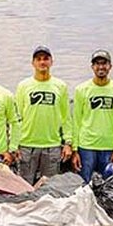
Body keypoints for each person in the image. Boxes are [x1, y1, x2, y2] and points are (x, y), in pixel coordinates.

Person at [13, 46, 73, 184]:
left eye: (46, 59)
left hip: (52, 146)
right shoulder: (23, 86)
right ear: (33, 63)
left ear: (52, 62)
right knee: (24, 186)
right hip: (27, 145)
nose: (42, 62)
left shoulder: (60, 86)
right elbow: (17, 117)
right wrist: (14, 144)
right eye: (38, 59)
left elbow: (65, 117)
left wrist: (68, 143)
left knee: (50, 188)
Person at [72, 50, 113, 182]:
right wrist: (75, 149)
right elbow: (76, 120)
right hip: (86, 146)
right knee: (84, 185)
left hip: (109, 146)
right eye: (97, 64)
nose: (101, 67)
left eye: (104, 63)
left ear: (110, 66)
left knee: (109, 185)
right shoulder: (81, 89)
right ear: (92, 67)